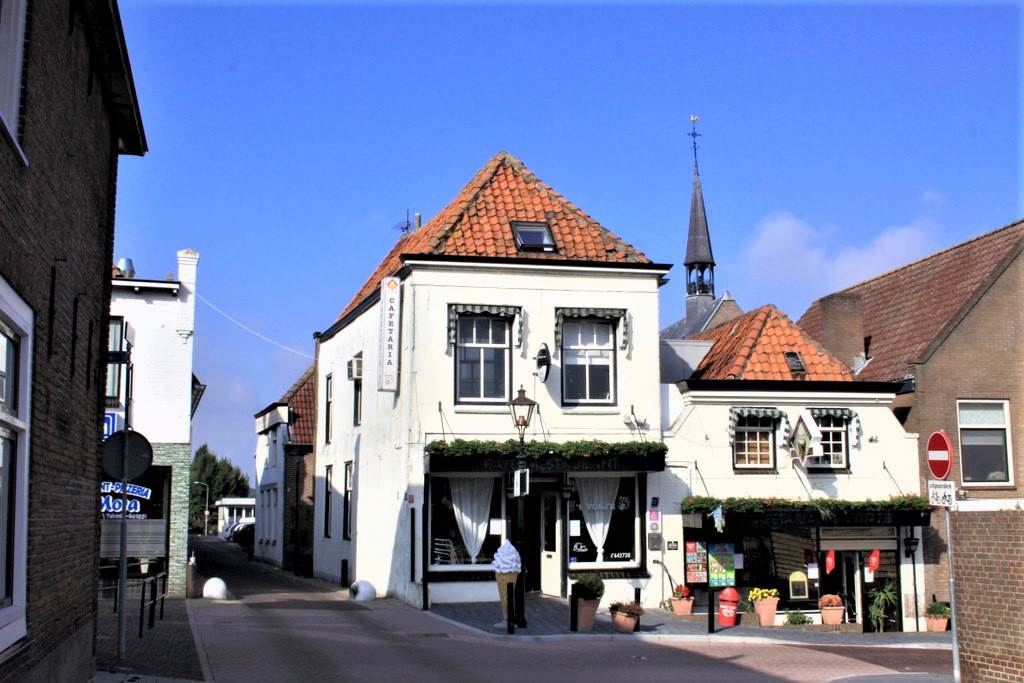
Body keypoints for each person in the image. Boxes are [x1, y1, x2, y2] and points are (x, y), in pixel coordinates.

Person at [491, 539, 521, 628]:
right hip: (508, 568)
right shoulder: (510, 555)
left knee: (506, 595)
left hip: (506, 568)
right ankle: (507, 618)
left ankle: (507, 618)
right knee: (507, 595)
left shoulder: (507, 553)